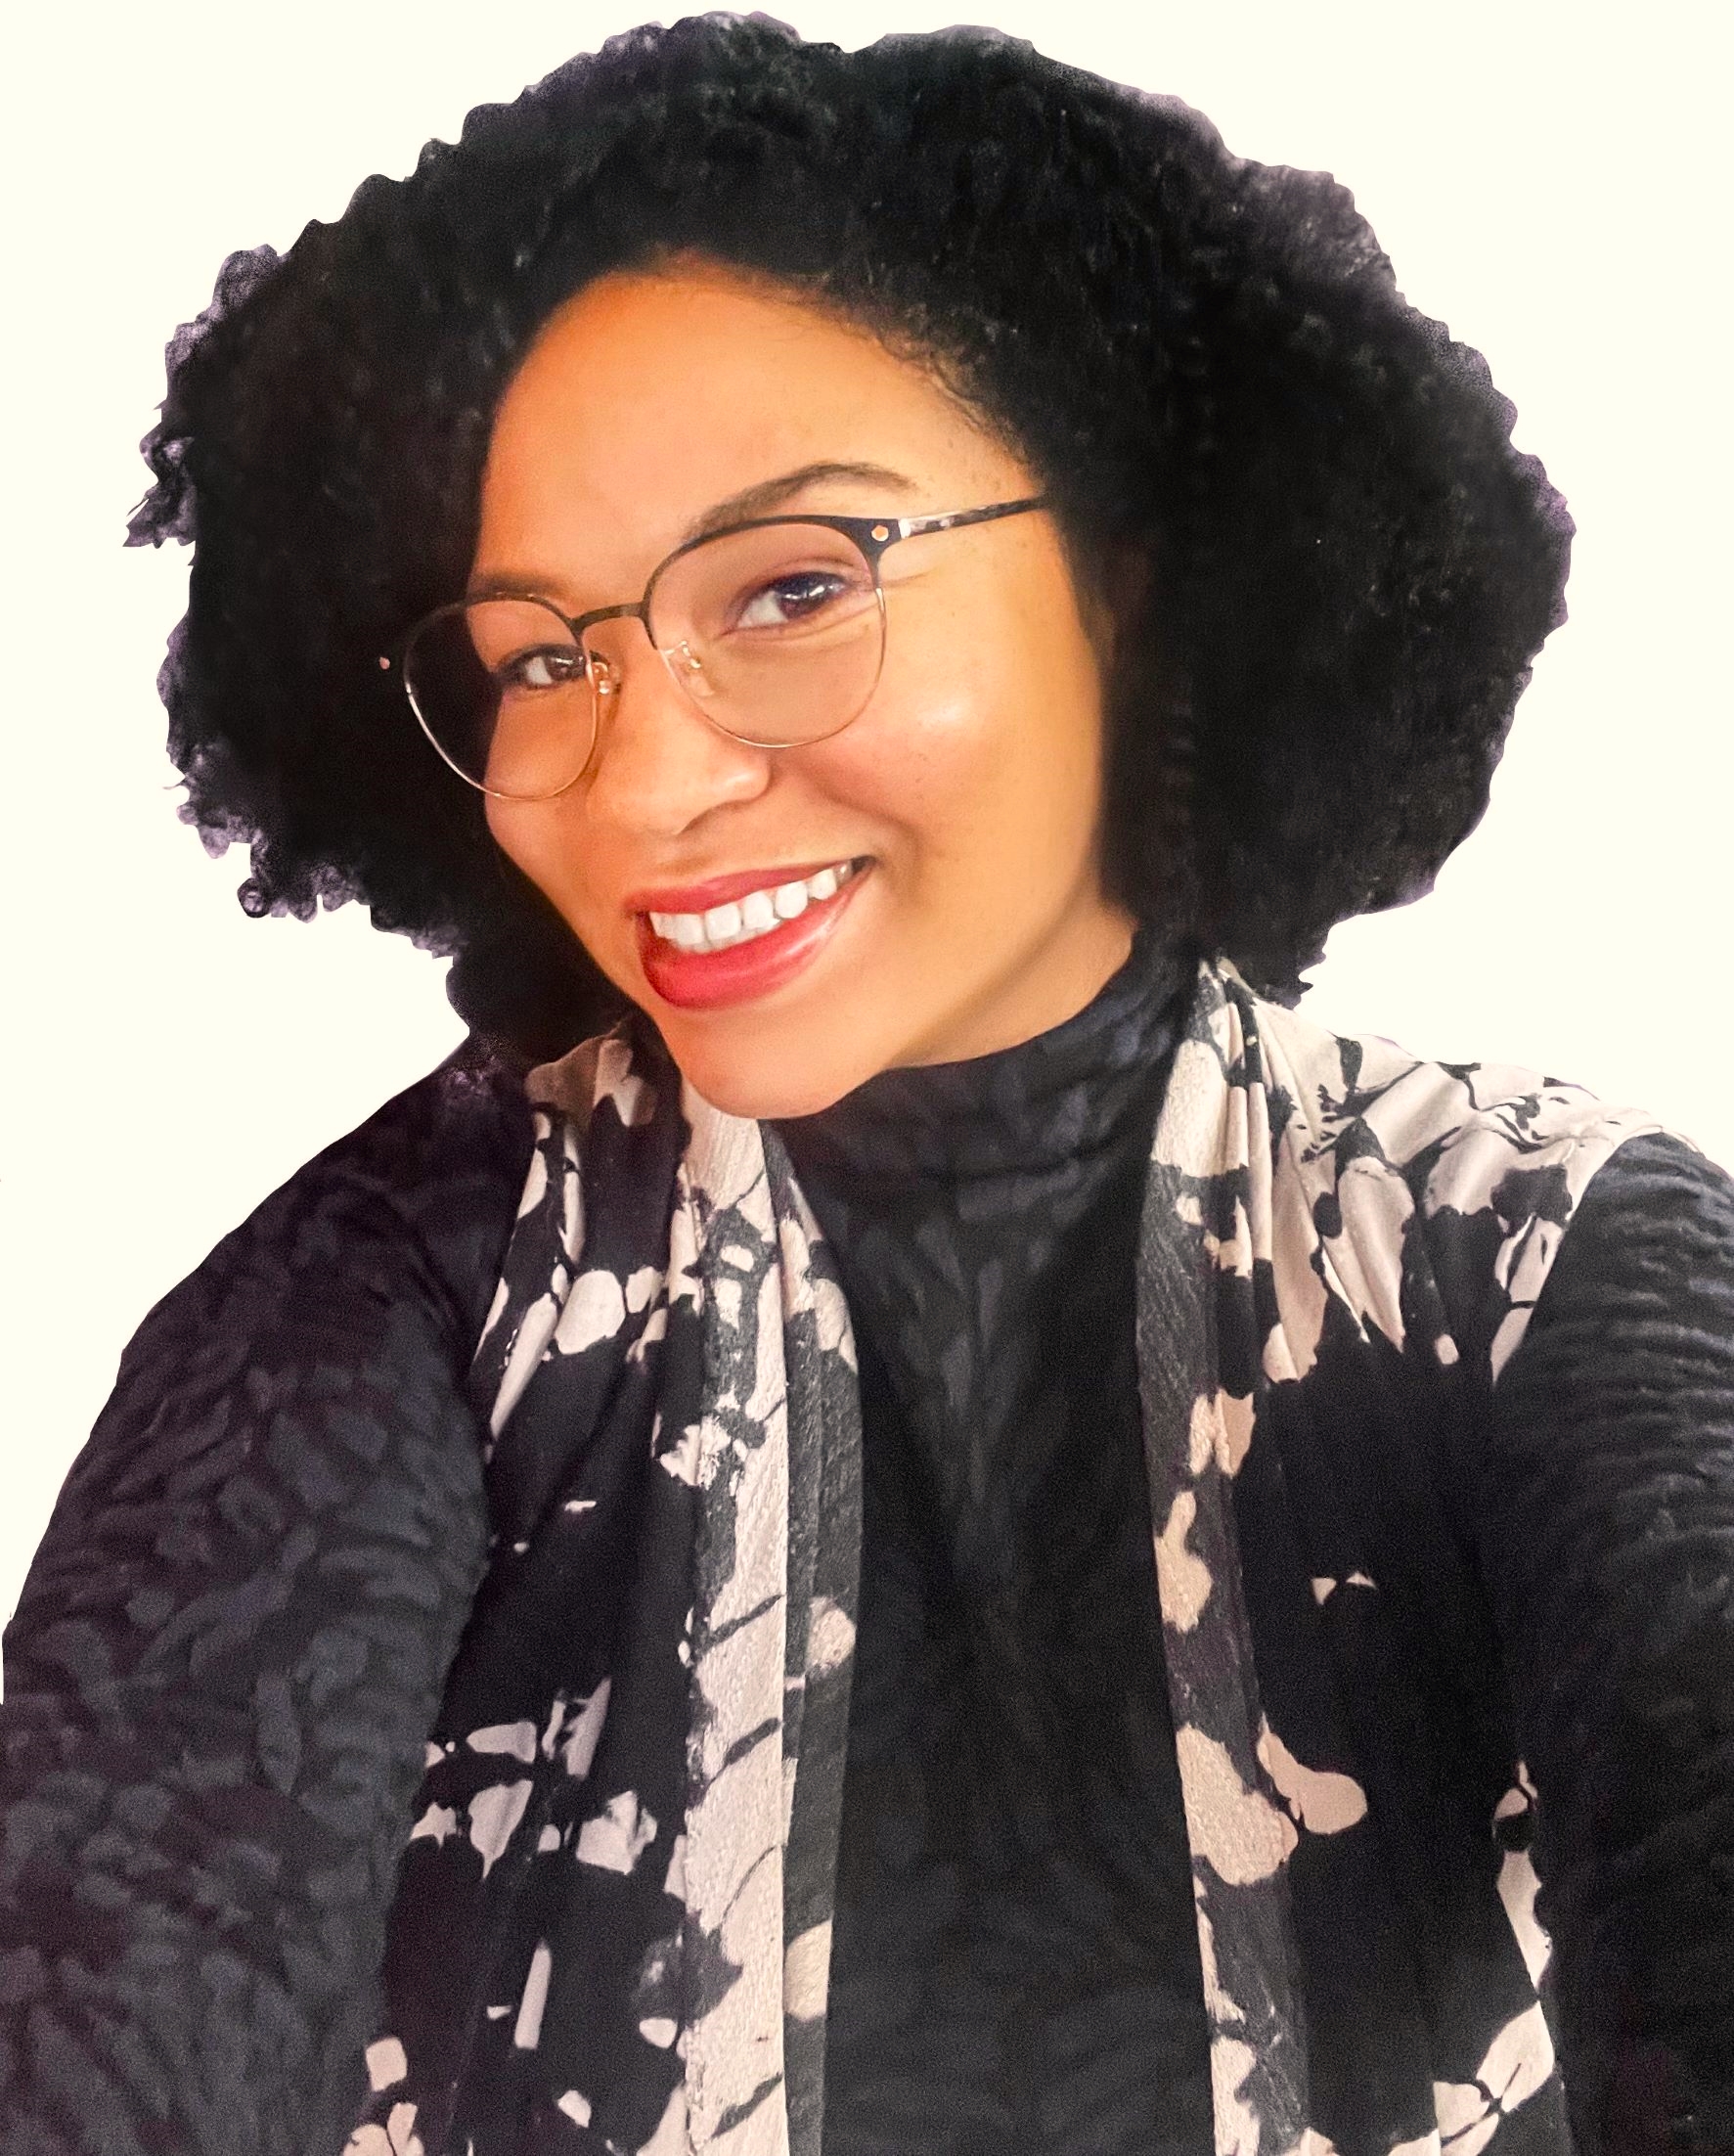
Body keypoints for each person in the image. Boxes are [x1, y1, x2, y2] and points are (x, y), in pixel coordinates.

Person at [2, 16, 1731, 2156]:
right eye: (541, 655)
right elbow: (126, 1946)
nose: (638, 780)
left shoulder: (1527, 1264)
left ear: (1136, 576)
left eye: (796, 586)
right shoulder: (407, 1291)